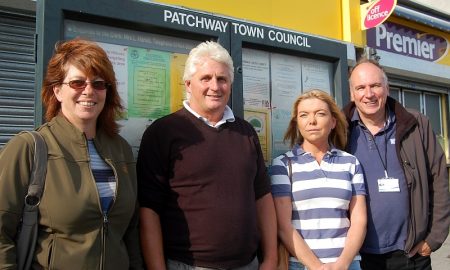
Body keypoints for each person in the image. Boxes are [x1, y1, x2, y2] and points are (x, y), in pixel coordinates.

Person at [0, 38, 143, 269]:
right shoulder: (29, 147)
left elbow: (131, 232)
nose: (89, 91)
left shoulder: (121, 149)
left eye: (98, 84)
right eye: (77, 83)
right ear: (57, 90)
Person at [137, 41, 277, 270]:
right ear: (189, 84)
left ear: (230, 85)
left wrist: (271, 258)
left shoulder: (246, 132)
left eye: (222, 79)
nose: (215, 86)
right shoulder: (163, 132)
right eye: (206, 78)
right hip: (188, 265)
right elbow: (148, 210)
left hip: (249, 264)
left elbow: (262, 196)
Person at [343, 58, 450, 270]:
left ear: (387, 87)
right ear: (352, 94)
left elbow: (439, 180)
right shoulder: (339, 130)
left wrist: (435, 236)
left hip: (411, 253)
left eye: (375, 85)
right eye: (361, 87)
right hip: (358, 256)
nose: (369, 94)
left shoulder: (417, 124)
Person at [270, 89, 367, 270]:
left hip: (348, 264)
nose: (312, 121)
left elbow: (359, 220)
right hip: (300, 265)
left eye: (320, 114)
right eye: (304, 115)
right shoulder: (282, 165)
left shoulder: (350, 162)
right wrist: (316, 266)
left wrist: (343, 263)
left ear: (333, 122)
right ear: (297, 123)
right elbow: (283, 226)